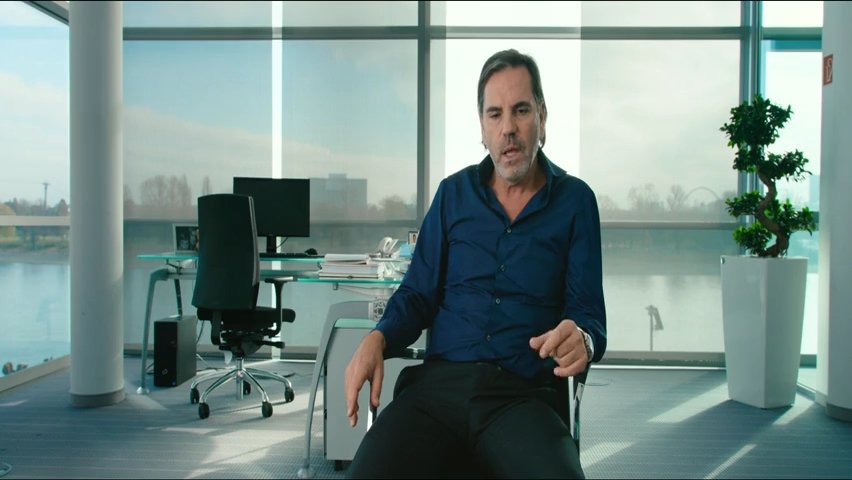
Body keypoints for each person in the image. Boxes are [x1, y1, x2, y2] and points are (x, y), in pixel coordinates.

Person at [344, 48, 607, 479]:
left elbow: (589, 314)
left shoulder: (576, 201)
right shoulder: (452, 194)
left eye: (521, 110)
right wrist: (378, 336)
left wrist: (583, 338)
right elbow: (417, 294)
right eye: (494, 114)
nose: (508, 129)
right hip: (436, 394)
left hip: (523, 398)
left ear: (542, 116)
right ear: (482, 127)